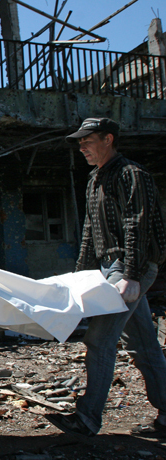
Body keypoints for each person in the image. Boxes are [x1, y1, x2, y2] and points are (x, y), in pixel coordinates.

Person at [45, 118, 166, 438]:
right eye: (79, 142)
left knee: (99, 340)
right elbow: (90, 231)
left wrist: (131, 275)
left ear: (108, 139)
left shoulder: (132, 174)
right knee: (142, 344)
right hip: (108, 268)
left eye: (87, 140)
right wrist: (79, 275)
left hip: (129, 268)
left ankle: (87, 419)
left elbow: (137, 225)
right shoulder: (94, 179)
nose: (81, 147)